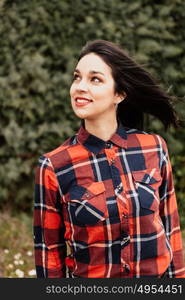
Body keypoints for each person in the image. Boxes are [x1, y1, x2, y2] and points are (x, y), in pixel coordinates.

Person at [33, 39, 185, 278]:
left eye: (95, 79)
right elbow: (49, 254)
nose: (80, 87)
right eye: (77, 77)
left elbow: (171, 229)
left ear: (120, 94)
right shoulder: (54, 166)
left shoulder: (154, 148)